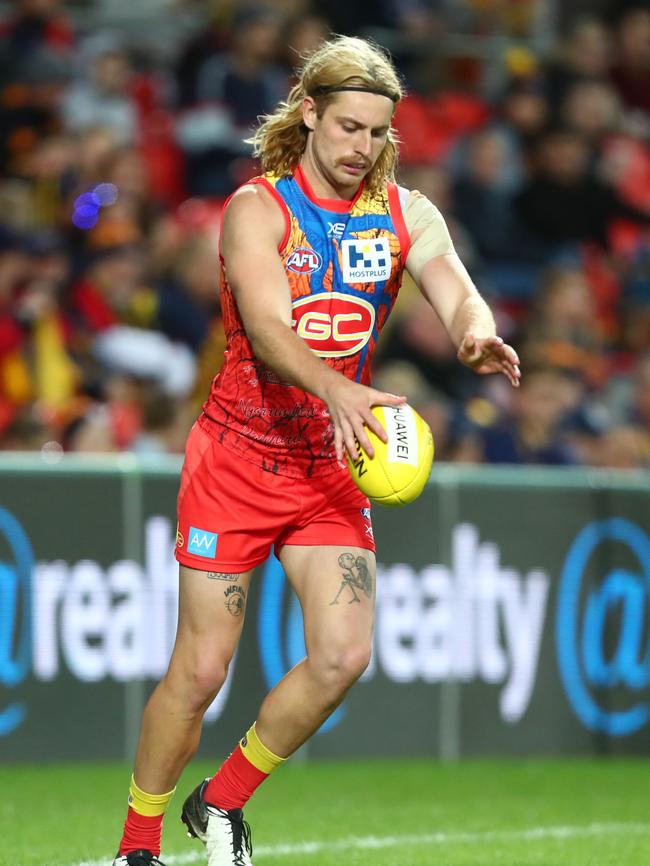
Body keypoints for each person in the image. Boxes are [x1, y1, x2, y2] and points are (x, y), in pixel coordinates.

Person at [111, 35, 520, 866]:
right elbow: (266, 329)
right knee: (198, 674)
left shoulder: (406, 213)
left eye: (376, 132)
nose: (360, 148)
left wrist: (477, 336)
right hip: (236, 457)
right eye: (347, 127)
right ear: (309, 113)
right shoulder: (256, 209)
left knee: (343, 656)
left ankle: (219, 803)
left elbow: (458, 292)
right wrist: (337, 389)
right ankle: (136, 846)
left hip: (331, 467)